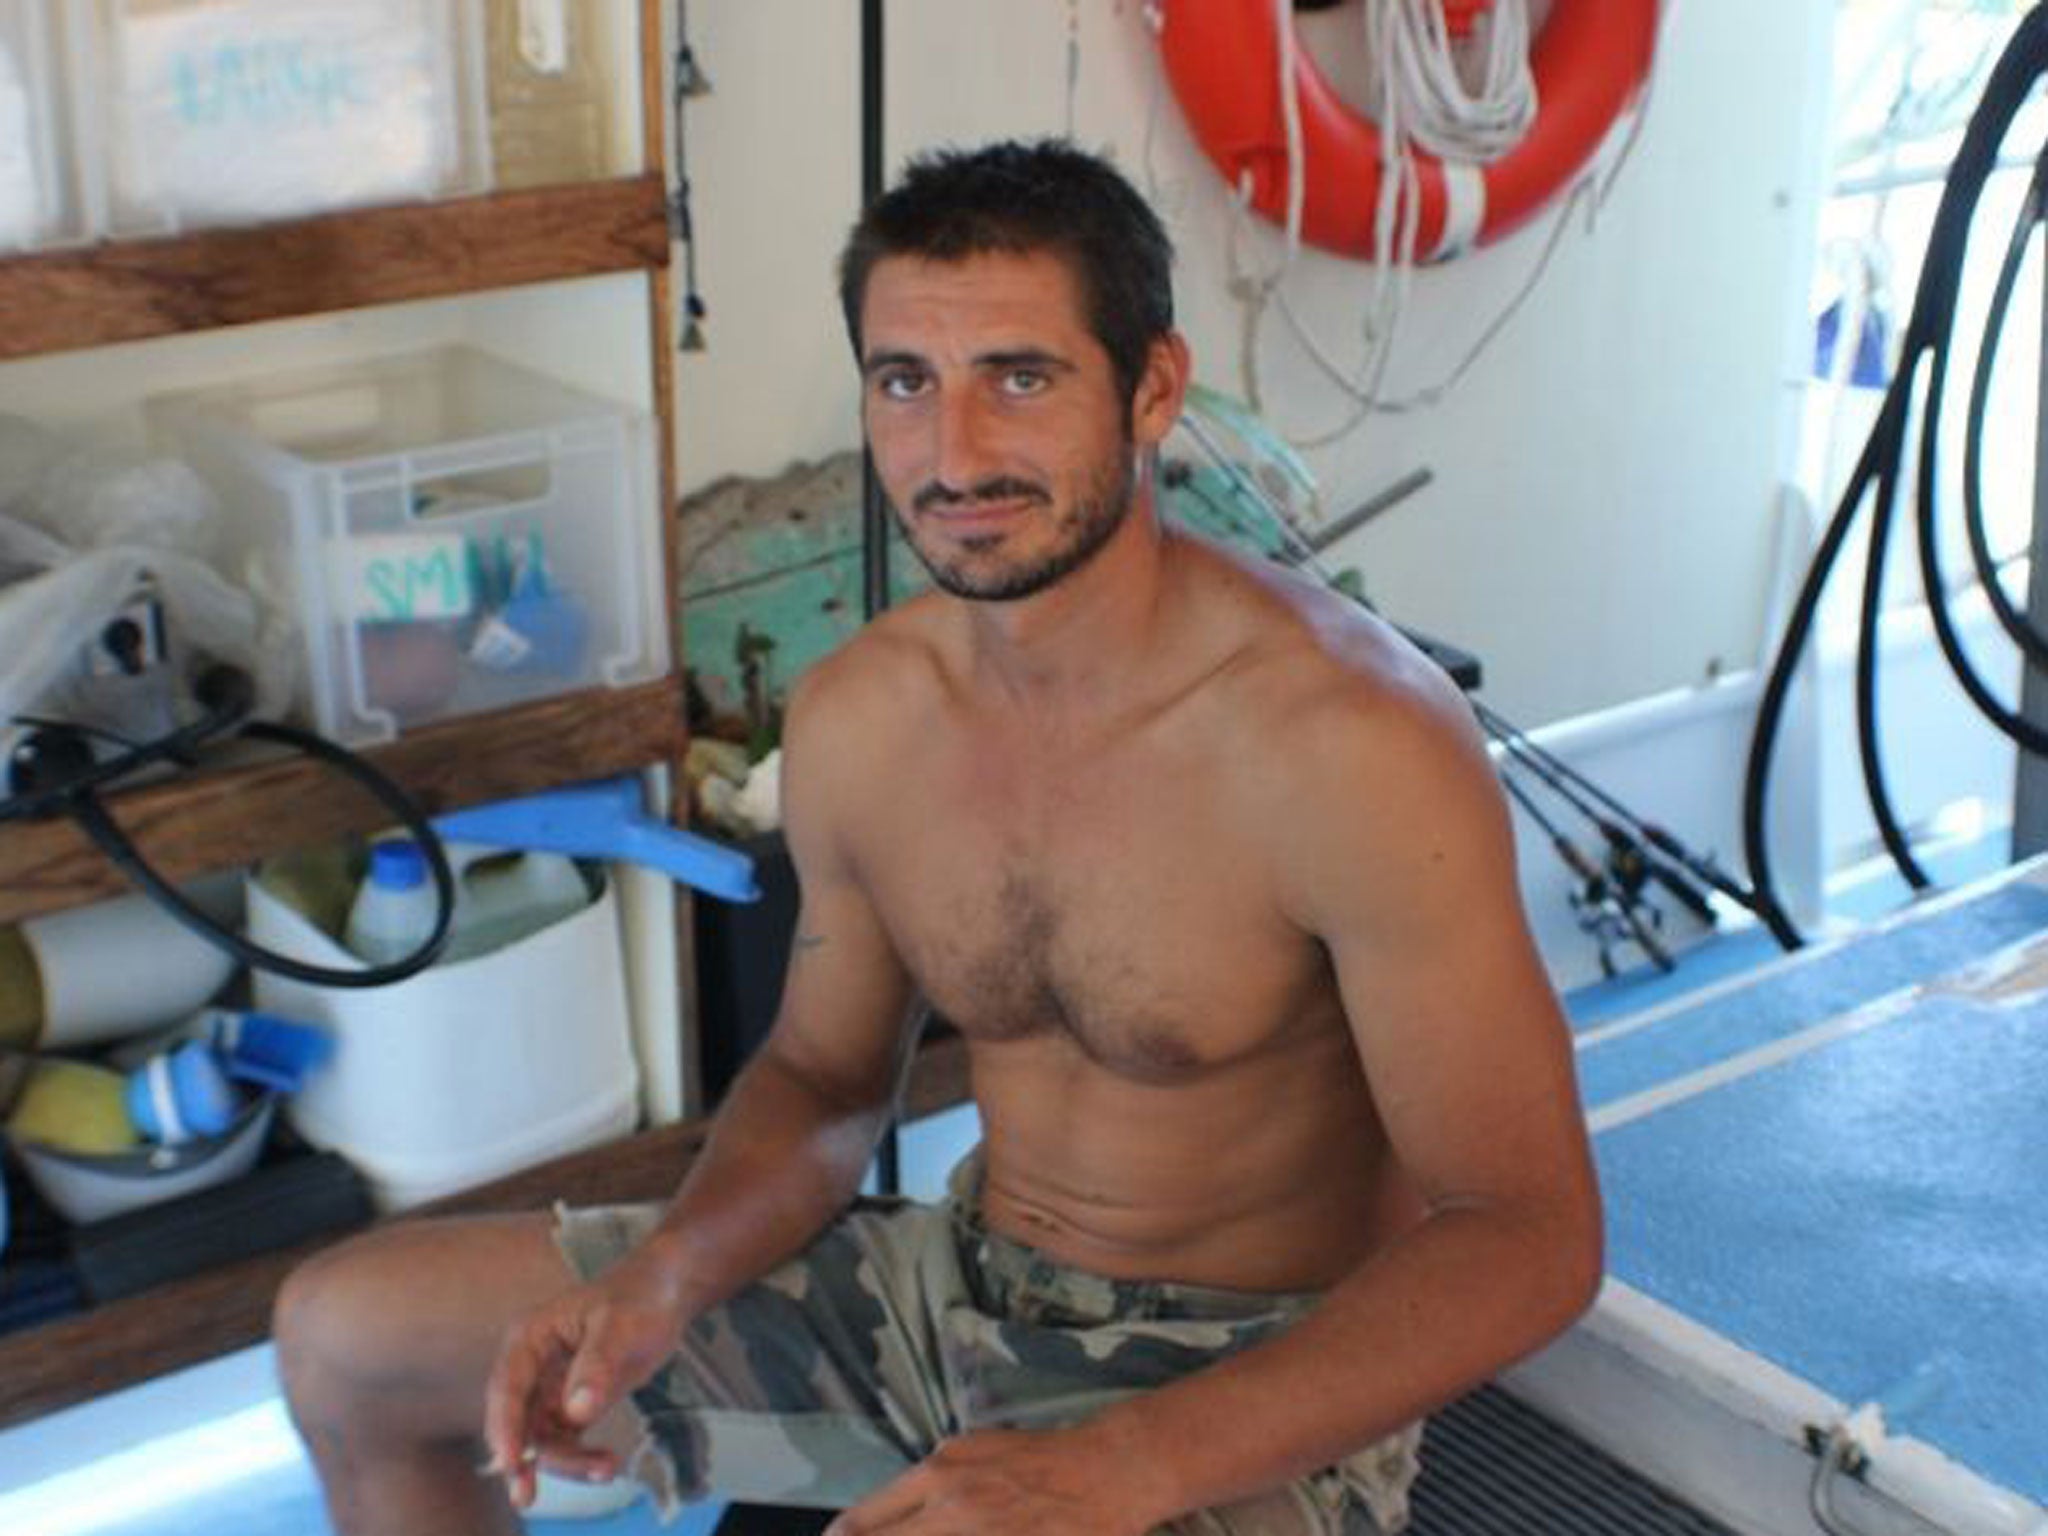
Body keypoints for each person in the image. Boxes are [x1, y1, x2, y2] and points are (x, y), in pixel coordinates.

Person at [274, 139, 1602, 1536]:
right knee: (347, 1332)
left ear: (1153, 387)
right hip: (954, 1299)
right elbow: (824, 1078)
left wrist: (1128, 1467)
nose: (953, 455)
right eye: (906, 382)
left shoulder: (1352, 744)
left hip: (1240, 1385)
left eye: (1019, 379)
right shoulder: (864, 717)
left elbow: (1526, 1233)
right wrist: (664, 1274)